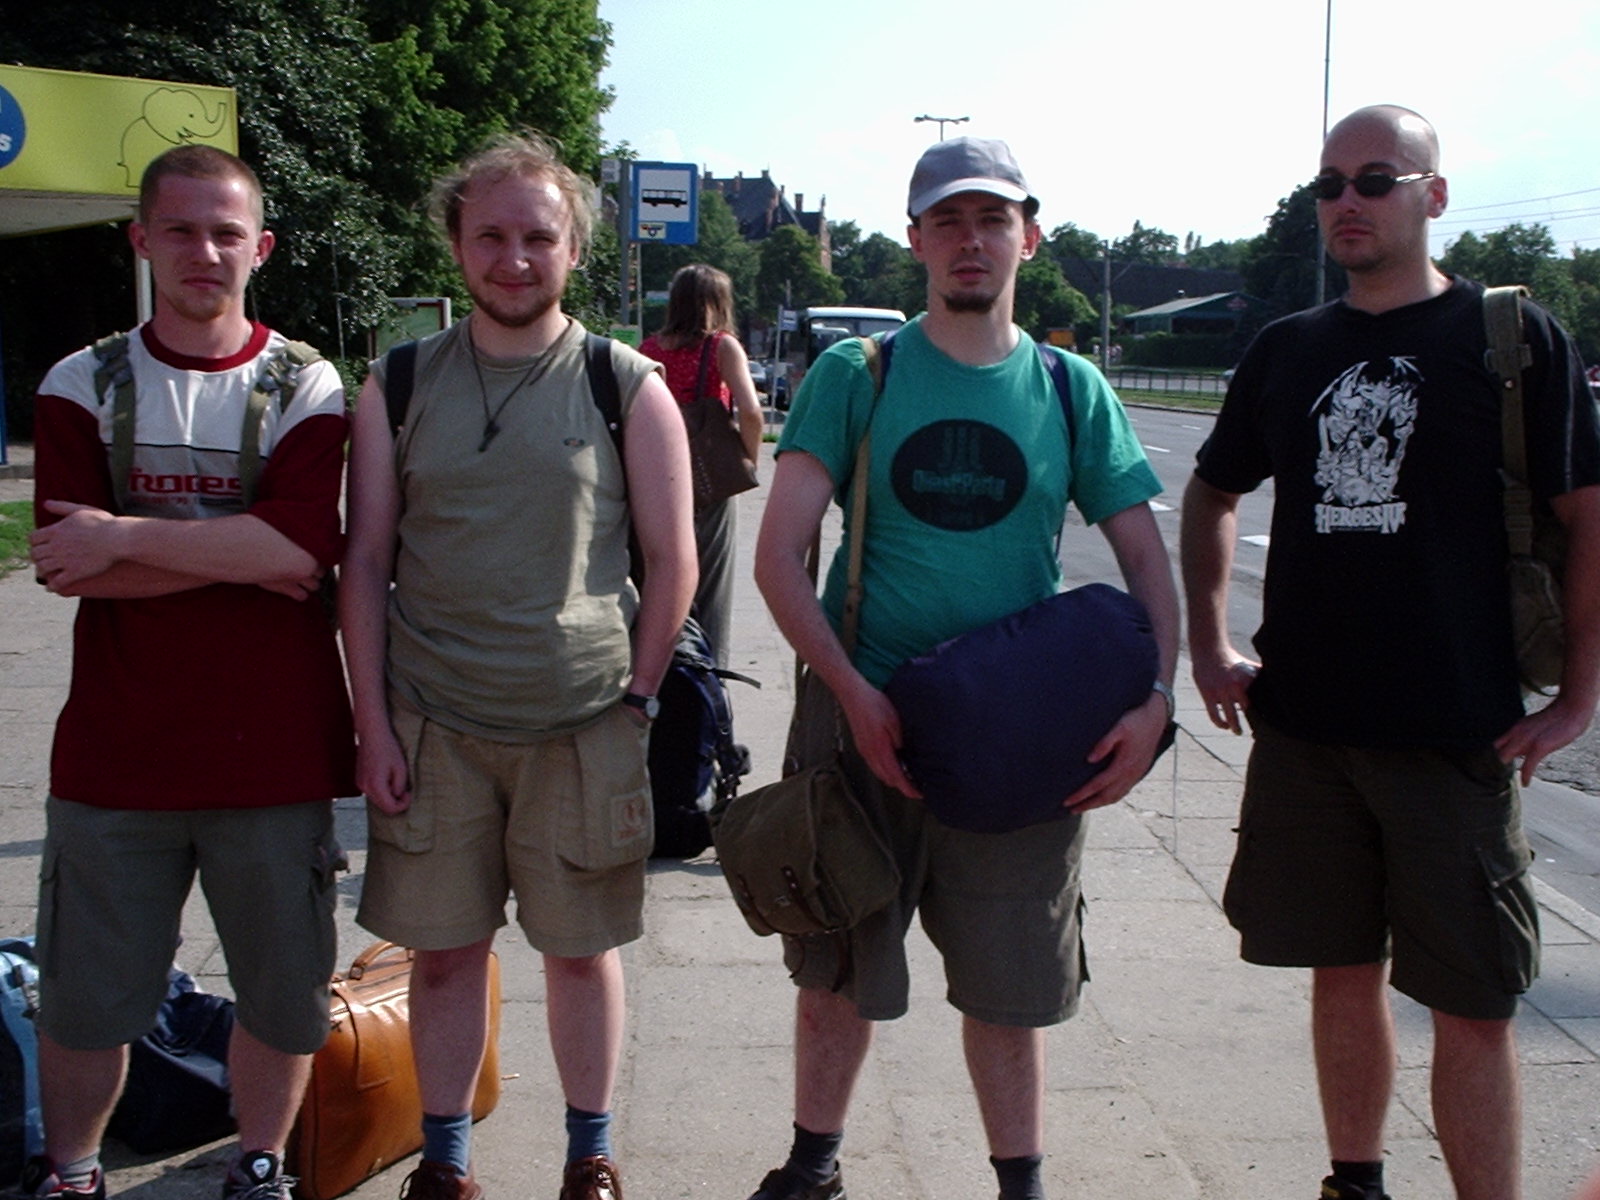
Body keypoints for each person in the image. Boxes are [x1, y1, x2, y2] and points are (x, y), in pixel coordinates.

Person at [1179, 105, 1600, 1200]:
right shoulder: (1288, 348)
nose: (1345, 203)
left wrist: (1576, 700)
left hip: (1456, 731)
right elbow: (1213, 492)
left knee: (1474, 1001)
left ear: (1433, 195)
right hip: (1307, 731)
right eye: (1328, 186)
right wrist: (1209, 642)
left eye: (1374, 179)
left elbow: (1587, 516)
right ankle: (1353, 1182)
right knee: (1339, 970)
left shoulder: (1510, 339)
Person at [748, 136, 1178, 1200]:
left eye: (992, 219)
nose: (970, 240)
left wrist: (1157, 704)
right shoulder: (861, 374)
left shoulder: (1070, 390)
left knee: (1009, 989)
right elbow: (778, 556)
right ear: (915, 242)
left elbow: (1145, 562)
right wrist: (853, 695)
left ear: (1029, 238)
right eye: (947, 221)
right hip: (862, 731)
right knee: (834, 967)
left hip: (1019, 740)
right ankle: (812, 1168)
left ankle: (1018, 1183)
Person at [339, 131, 696, 1200]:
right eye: (489, 235)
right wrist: (372, 725)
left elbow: (673, 559)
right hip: (435, 725)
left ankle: (590, 1155)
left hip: (583, 724)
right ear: (455, 244)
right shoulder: (400, 383)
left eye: (538, 237)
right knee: (445, 955)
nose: (513, 258)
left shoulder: (623, 383)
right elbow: (364, 561)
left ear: (574, 249)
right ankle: (447, 1164)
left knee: (580, 952)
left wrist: (639, 700)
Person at [18, 145, 355, 1200]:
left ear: (261, 248)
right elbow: (66, 566)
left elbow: (304, 549)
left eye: (225, 233)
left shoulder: (303, 382)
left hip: (276, 754)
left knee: (283, 993)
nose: (204, 252)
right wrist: (247, 555)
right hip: (117, 755)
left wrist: (125, 535)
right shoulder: (82, 381)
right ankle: (73, 1173)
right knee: (85, 1000)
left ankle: (258, 1165)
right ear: (141, 240)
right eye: (180, 229)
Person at [639, 263, 764, 666]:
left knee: (661, 578)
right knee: (711, 589)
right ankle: (708, 674)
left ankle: (661, 667)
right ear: (717, 302)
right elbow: (751, 412)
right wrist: (746, 463)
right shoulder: (722, 346)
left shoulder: (649, 349)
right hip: (710, 481)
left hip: (657, 477)